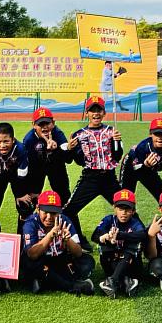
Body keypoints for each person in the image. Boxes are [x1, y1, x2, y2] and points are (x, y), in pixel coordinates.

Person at [63, 95, 123, 250]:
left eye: (99, 110)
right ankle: (78, 240)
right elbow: (72, 159)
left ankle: (128, 239)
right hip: (90, 177)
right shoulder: (79, 134)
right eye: (92, 110)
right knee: (69, 210)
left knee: (126, 207)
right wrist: (69, 149)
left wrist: (117, 141)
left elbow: (118, 156)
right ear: (87, 113)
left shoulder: (112, 131)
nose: (95, 114)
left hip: (109, 178)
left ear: (104, 113)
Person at [21, 190, 95, 296]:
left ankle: (45, 281)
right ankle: (72, 286)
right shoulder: (30, 223)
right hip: (40, 261)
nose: (49, 217)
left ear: (59, 212)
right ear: (37, 209)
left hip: (59, 259)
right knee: (28, 264)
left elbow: (78, 253)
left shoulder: (65, 221)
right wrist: (51, 235)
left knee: (87, 262)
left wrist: (68, 240)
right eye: (45, 212)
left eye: (53, 213)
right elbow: (32, 255)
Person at [0, 122, 39, 233]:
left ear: (13, 140)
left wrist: (20, 194)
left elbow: (22, 176)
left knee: (24, 205)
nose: (2, 145)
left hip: (17, 177)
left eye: (6, 141)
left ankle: (23, 240)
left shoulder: (21, 149)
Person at [92, 188, 146, 298]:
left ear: (133, 211)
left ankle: (113, 280)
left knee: (133, 245)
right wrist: (105, 237)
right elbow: (94, 235)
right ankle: (127, 282)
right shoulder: (109, 219)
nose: (124, 213)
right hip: (111, 262)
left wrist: (120, 235)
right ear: (114, 208)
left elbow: (142, 235)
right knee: (105, 246)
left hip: (131, 264)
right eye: (121, 208)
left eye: (128, 209)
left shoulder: (135, 222)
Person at [121, 117, 162, 203]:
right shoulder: (142, 147)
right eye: (157, 134)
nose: (160, 138)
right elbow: (137, 170)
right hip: (131, 167)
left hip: (150, 170)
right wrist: (145, 165)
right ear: (150, 134)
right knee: (126, 198)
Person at [22, 107, 73, 206]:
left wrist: (56, 150)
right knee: (29, 202)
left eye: (47, 123)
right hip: (36, 168)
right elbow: (27, 166)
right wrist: (31, 188)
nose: (44, 127)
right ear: (33, 125)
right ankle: (27, 220)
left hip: (56, 167)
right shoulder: (29, 140)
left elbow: (68, 159)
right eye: (40, 124)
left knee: (64, 198)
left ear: (53, 123)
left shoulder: (58, 135)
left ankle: (68, 220)